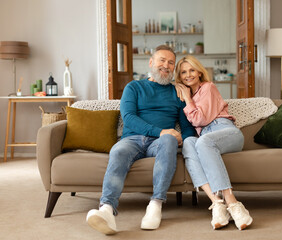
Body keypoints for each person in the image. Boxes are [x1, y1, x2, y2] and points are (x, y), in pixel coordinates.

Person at [86, 45, 196, 235]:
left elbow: (186, 128)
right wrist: (161, 131)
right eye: (162, 60)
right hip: (132, 139)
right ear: (151, 62)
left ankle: (155, 205)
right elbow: (129, 118)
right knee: (118, 150)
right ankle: (107, 210)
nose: (166, 65)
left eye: (171, 62)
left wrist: (183, 141)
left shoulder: (177, 93)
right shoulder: (134, 87)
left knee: (169, 140)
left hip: (160, 143)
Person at [174, 55, 253, 230]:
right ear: (179, 77)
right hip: (207, 138)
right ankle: (217, 203)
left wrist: (188, 98)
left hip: (226, 131)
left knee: (203, 143)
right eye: (183, 72)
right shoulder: (186, 94)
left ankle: (232, 202)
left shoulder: (208, 88)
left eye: (192, 70)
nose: (188, 75)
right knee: (189, 144)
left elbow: (200, 119)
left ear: (199, 72)